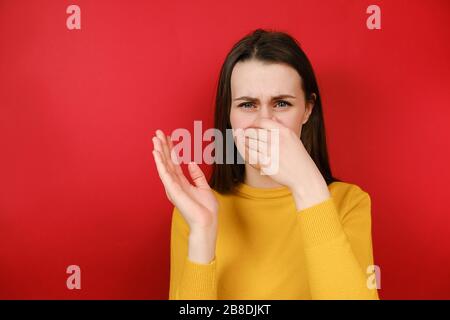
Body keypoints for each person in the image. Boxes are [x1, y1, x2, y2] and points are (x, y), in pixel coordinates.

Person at [152, 28, 379, 300]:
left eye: (281, 103)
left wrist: (309, 186)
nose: (264, 123)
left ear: (307, 110)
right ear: (228, 114)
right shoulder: (196, 211)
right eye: (247, 105)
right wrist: (202, 234)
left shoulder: (348, 203)